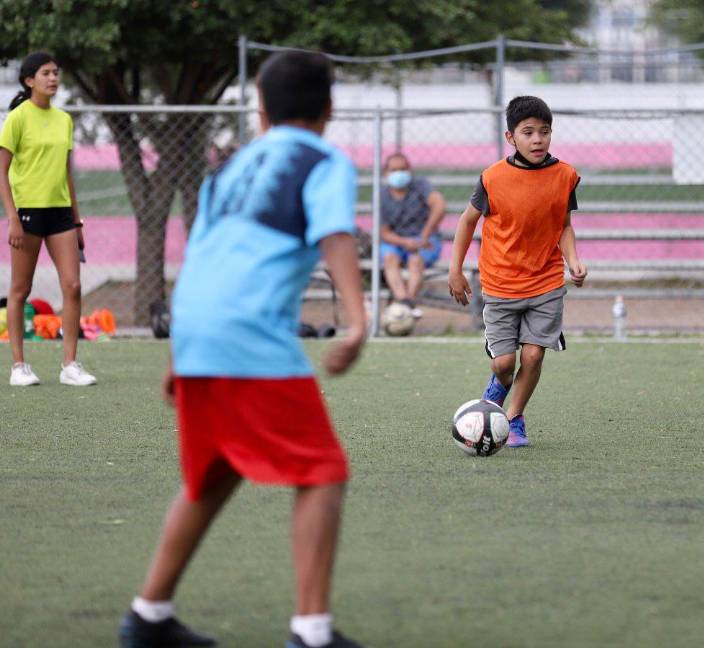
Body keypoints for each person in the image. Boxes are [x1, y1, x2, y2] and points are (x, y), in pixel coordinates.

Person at [118, 51, 367, 648]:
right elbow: (334, 233)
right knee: (322, 472)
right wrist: (357, 322)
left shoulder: (227, 169)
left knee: (213, 474)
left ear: (260, 111)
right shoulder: (324, 160)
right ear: (329, 109)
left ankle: (148, 617)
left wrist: (180, 350)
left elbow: (200, 255)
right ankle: (311, 632)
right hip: (248, 335)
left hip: (199, 328)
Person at [448, 96, 586, 448]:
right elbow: (466, 222)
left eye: (544, 131)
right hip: (500, 283)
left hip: (546, 281)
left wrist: (573, 259)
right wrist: (455, 270)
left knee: (535, 354)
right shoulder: (492, 179)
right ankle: (497, 386)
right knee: (504, 363)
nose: (538, 139)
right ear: (511, 138)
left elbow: (564, 225)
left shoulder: (565, 176)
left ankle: (515, 416)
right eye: (528, 132)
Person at [0, 52, 96, 387]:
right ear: (29, 80)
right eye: (45, 73)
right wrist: (12, 217)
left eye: (56, 73)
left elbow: (67, 174)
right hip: (27, 213)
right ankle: (19, 366)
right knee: (20, 289)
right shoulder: (17, 118)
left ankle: (70, 364)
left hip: (61, 214)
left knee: (73, 285)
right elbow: (2, 171)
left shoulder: (64, 120)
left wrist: (77, 221)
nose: (53, 78)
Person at [379, 152, 446, 318]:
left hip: (424, 240)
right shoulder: (382, 195)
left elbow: (439, 205)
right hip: (397, 242)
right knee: (389, 258)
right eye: (394, 170)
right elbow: (383, 232)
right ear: (386, 173)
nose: (399, 173)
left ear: (409, 170)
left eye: (403, 169)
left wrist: (423, 237)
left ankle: (404, 305)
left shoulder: (420, 185)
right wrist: (404, 242)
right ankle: (406, 304)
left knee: (415, 260)